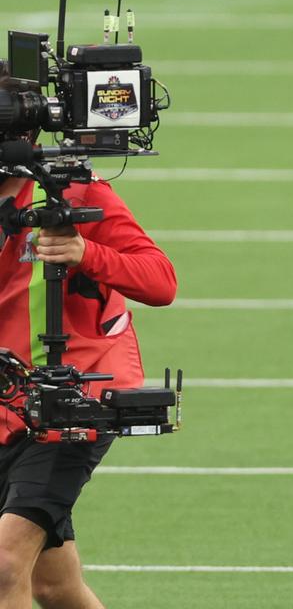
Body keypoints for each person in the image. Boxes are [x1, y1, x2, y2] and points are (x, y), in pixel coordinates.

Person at [0, 75, 177, 609]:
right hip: (8, 400)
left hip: (72, 398)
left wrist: (84, 253)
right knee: (54, 586)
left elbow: (160, 280)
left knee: (5, 567)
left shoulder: (73, 188)